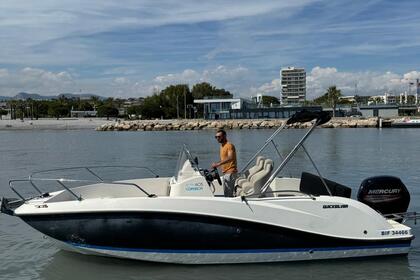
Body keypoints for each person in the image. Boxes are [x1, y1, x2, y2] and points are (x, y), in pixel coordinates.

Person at [211, 129, 238, 197]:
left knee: (228, 196)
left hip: (230, 173)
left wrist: (218, 164)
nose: (217, 138)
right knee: (226, 194)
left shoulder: (229, 145)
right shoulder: (222, 146)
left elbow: (230, 157)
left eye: (219, 136)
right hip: (225, 173)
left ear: (224, 136)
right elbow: (224, 159)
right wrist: (217, 164)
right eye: (216, 137)